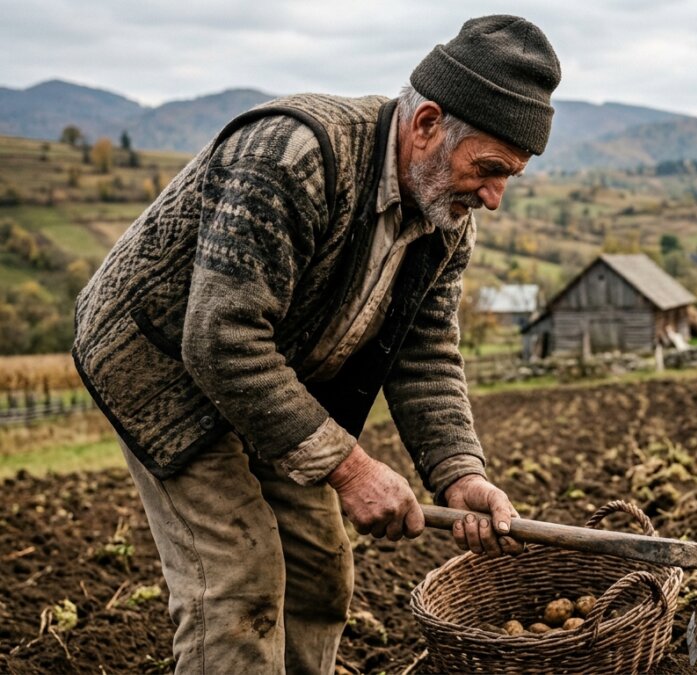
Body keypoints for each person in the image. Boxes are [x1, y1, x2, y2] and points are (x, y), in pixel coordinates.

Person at [71, 15, 560, 673]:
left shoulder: (445, 221)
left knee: (320, 570)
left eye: (512, 177)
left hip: (272, 371)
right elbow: (219, 338)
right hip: (161, 364)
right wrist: (352, 469)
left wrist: (458, 473)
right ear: (427, 126)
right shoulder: (296, 154)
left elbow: (427, 351)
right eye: (492, 168)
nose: (496, 197)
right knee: (239, 577)